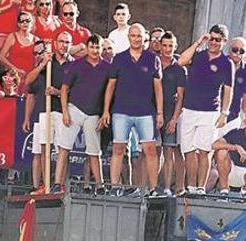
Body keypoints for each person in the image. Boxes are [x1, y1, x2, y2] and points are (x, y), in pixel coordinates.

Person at [102, 23, 164, 195]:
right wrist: (106, 110)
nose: (136, 39)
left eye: (139, 36)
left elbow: (158, 88)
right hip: (121, 111)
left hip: (146, 111)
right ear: (128, 37)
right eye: (133, 35)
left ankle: (152, 189)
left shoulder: (153, 59)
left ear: (144, 38)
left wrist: (159, 112)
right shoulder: (119, 58)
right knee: (118, 149)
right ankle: (115, 187)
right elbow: (110, 86)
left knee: (150, 150)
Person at [178, 24, 234, 195]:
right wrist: (198, 43)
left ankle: (201, 188)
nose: (213, 43)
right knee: (187, 150)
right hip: (189, 109)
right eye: (211, 38)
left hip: (210, 111)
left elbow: (228, 89)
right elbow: (181, 61)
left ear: (224, 42)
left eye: (218, 40)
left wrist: (224, 113)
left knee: (204, 151)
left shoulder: (227, 63)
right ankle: (191, 186)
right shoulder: (199, 55)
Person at [57, 34, 109, 192]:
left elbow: (109, 92)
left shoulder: (107, 67)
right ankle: (57, 183)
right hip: (74, 109)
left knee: (94, 151)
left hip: (94, 113)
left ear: (101, 48)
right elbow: (64, 89)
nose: (95, 50)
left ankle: (100, 185)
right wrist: (65, 112)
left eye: (97, 47)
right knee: (64, 148)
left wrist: (104, 113)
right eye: (92, 47)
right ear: (87, 48)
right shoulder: (76, 65)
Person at [24, 31, 71, 191]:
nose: (64, 45)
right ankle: (46, 185)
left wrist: (57, 92)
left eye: (67, 42)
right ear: (56, 43)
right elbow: (28, 81)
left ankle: (60, 185)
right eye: (62, 41)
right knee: (45, 147)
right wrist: (43, 64)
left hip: (64, 111)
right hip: (46, 110)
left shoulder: (73, 64)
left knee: (62, 149)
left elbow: (77, 91)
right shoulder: (48, 63)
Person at [156, 30, 185, 196]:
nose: (167, 49)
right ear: (160, 46)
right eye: (165, 45)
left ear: (175, 47)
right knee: (151, 151)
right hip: (151, 111)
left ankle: (167, 188)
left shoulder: (179, 68)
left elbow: (180, 96)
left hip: (170, 113)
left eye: (171, 46)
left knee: (168, 151)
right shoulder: (153, 62)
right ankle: (148, 187)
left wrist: (174, 119)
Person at [219, 37, 246, 139]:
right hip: (215, 114)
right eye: (235, 50)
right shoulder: (220, 63)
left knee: (225, 152)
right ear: (229, 49)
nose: (238, 53)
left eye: (241, 51)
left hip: (233, 117)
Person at [0, 10, 38, 84]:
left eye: (27, 21)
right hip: (14, 77)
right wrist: (15, 69)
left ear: (32, 23)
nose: (25, 23)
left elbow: (38, 61)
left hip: (29, 78)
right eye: (22, 21)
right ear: (18, 24)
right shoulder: (12, 37)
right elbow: (1, 57)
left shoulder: (36, 40)